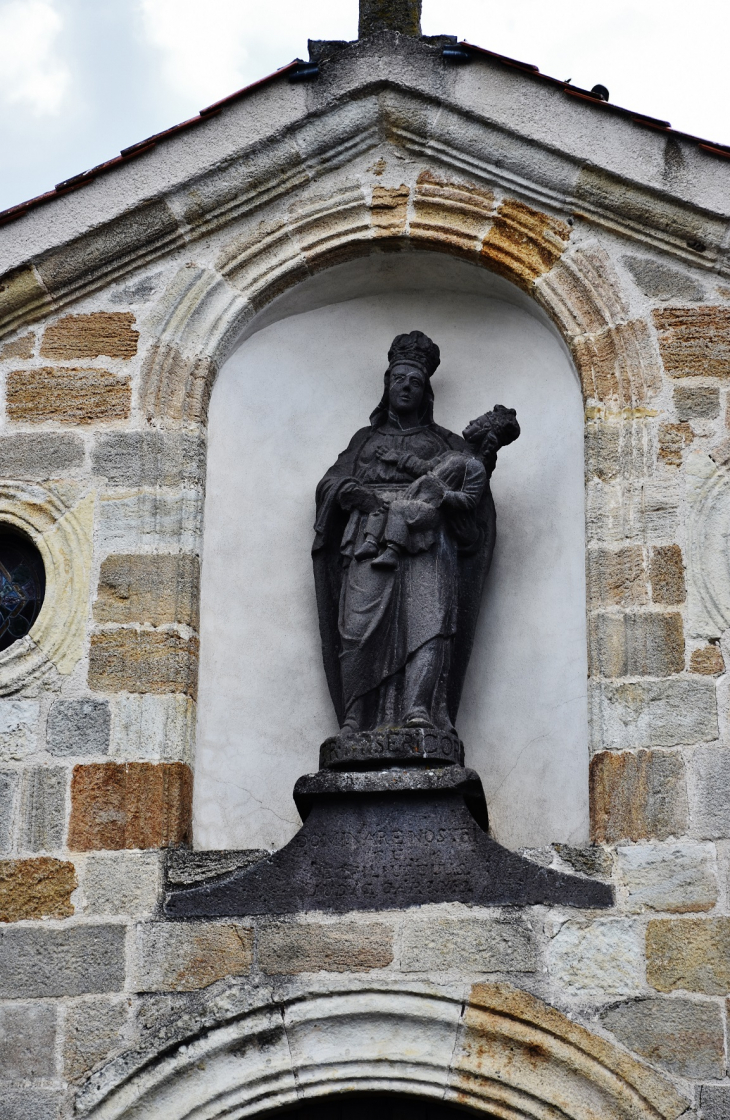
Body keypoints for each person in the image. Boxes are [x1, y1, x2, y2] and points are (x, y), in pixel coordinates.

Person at [312, 330, 518, 737]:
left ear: (426, 392)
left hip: (428, 543)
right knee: (357, 627)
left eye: (415, 381)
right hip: (366, 538)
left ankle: (419, 711)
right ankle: (356, 716)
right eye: (398, 379)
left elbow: (472, 504)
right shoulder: (365, 440)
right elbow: (329, 484)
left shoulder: (446, 444)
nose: (405, 387)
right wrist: (351, 491)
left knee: (428, 625)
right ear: (386, 385)